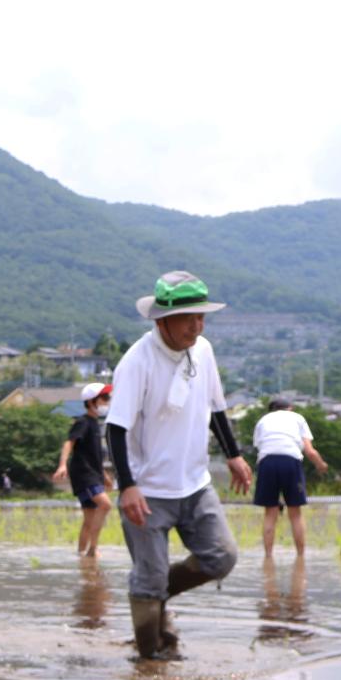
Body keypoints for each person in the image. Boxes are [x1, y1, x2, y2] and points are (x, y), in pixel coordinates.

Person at [107, 271, 250, 660]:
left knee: (221, 557)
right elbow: (115, 429)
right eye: (188, 317)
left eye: (201, 317)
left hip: (195, 483)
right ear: (161, 320)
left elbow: (216, 405)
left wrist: (233, 454)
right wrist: (128, 486)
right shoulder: (137, 362)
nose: (197, 325)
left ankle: (150, 594)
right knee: (150, 579)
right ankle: (150, 657)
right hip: (148, 491)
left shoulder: (202, 350)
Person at [251, 397, 329, 557]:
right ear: (290, 408)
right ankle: (300, 557)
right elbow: (310, 451)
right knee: (295, 513)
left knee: (270, 513)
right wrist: (321, 465)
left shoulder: (263, 421)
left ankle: (268, 557)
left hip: (267, 463)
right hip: (290, 461)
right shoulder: (297, 418)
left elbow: (261, 447)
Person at [52, 382, 114, 557]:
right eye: (104, 398)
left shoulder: (95, 424)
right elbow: (69, 442)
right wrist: (62, 464)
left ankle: (81, 555)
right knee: (106, 505)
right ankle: (93, 549)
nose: (107, 402)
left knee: (89, 518)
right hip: (84, 474)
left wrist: (104, 475)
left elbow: (94, 456)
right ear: (92, 401)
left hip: (93, 474)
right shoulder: (83, 422)